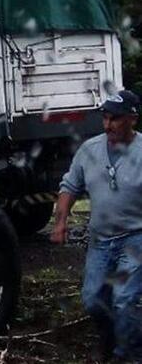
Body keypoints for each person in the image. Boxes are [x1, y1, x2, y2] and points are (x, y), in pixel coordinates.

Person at [51, 90, 142, 361]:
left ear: (132, 119)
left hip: (135, 239)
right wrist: (60, 222)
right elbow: (69, 186)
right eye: (105, 118)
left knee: (124, 299)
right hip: (101, 241)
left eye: (115, 118)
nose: (107, 125)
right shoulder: (89, 150)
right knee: (94, 301)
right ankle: (112, 335)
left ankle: (129, 355)